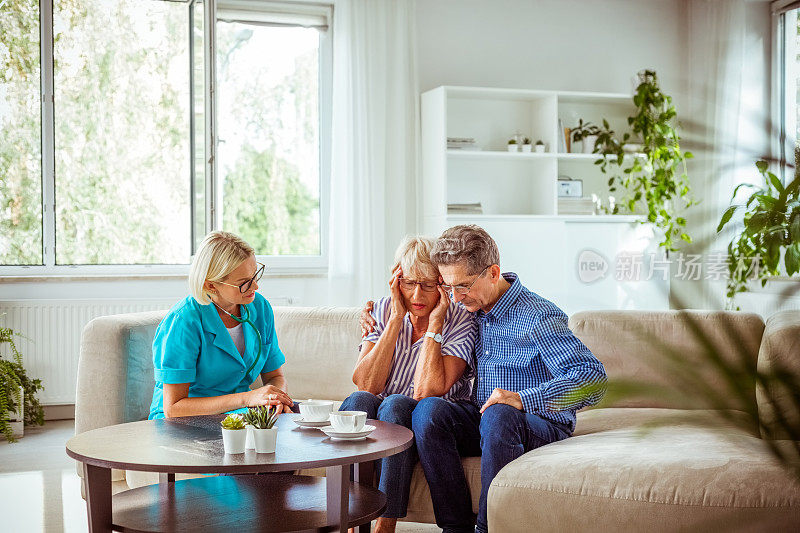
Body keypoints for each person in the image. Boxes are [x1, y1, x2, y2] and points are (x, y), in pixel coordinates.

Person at [361, 225, 607, 533]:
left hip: (538, 422)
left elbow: (592, 379)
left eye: (462, 286)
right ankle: (455, 527)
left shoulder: (538, 316)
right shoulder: (472, 310)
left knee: (499, 413)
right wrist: (374, 312)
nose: (455, 296)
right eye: (449, 287)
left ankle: (487, 529)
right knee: (428, 410)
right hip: (486, 418)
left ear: (493, 273)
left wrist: (522, 399)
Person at [341, 236, 477, 533]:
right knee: (357, 402)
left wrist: (436, 324)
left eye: (429, 285)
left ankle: (385, 523)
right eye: (409, 283)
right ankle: (349, 517)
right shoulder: (382, 309)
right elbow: (366, 382)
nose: (417, 294)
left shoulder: (460, 319)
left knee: (396, 403)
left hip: (429, 419)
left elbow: (426, 392)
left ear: (442, 284)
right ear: (396, 279)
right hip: (387, 414)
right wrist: (394, 320)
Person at [149, 231, 293, 419]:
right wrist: (247, 399)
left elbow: (275, 377)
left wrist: (275, 399)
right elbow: (173, 408)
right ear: (211, 285)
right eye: (244, 283)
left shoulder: (260, 307)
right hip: (184, 423)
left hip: (239, 415)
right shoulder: (184, 321)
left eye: (255, 275)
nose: (255, 287)